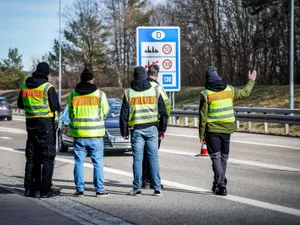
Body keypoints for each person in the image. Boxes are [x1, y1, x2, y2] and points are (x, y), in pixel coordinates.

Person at [199, 66, 257, 196]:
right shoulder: (229, 89)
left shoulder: (206, 93)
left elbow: (203, 116)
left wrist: (202, 135)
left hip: (213, 129)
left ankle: (221, 184)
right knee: (223, 158)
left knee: (215, 157)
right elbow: (245, 93)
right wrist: (251, 81)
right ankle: (218, 183)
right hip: (227, 128)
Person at [120, 66, 168, 196]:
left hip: (136, 130)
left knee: (137, 160)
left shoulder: (129, 92)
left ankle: (137, 188)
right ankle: (157, 188)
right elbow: (163, 112)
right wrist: (162, 129)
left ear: (134, 76)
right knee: (153, 159)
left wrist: (124, 132)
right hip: (152, 129)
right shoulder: (154, 91)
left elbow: (124, 114)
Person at [17, 62, 61, 198]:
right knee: (48, 157)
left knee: (32, 158)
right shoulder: (48, 87)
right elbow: (55, 106)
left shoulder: (25, 85)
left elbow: (20, 104)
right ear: (46, 73)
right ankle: (45, 189)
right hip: (46, 127)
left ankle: (29, 188)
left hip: (31, 126)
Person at [68, 68, 109, 198]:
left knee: (78, 162)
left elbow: (70, 114)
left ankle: (80, 190)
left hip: (79, 134)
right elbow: (105, 112)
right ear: (92, 80)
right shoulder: (100, 95)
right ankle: (99, 190)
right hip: (95, 134)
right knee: (97, 162)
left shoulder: (73, 95)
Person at [142, 64, 171, 189]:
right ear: (157, 74)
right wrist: (163, 127)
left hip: (139, 124)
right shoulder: (158, 88)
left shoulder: (140, 86)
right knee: (152, 155)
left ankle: (143, 180)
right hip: (154, 125)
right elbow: (166, 107)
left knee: (142, 155)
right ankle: (152, 180)